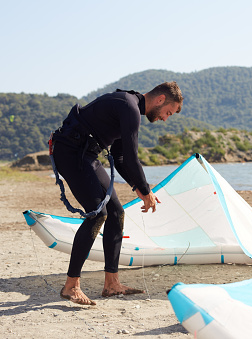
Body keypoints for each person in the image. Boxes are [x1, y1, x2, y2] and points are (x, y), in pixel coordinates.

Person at [50, 81, 183, 305]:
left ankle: (111, 284)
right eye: (167, 112)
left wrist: (139, 188)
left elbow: (120, 158)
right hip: (71, 153)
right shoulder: (129, 107)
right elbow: (131, 158)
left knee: (116, 212)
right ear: (160, 99)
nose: (165, 118)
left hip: (87, 155)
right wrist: (146, 190)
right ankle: (70, 286)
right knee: (97, 214)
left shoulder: (129, 107)